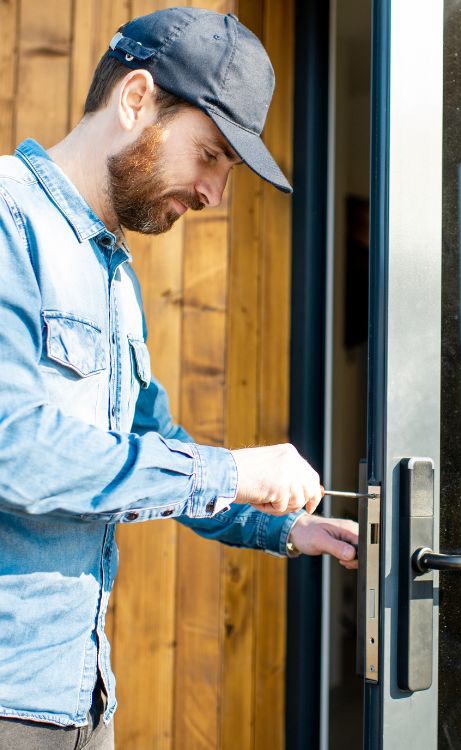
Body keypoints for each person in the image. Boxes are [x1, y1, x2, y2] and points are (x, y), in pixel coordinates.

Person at [0, 8, 358, 749]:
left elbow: (154, 451)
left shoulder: (114, 277)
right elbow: (15, 450)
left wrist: (287, 525)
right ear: (136, 100)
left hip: (81, 701)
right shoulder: (8, 218)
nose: (214, 195)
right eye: (212, 154)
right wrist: (230, 469)